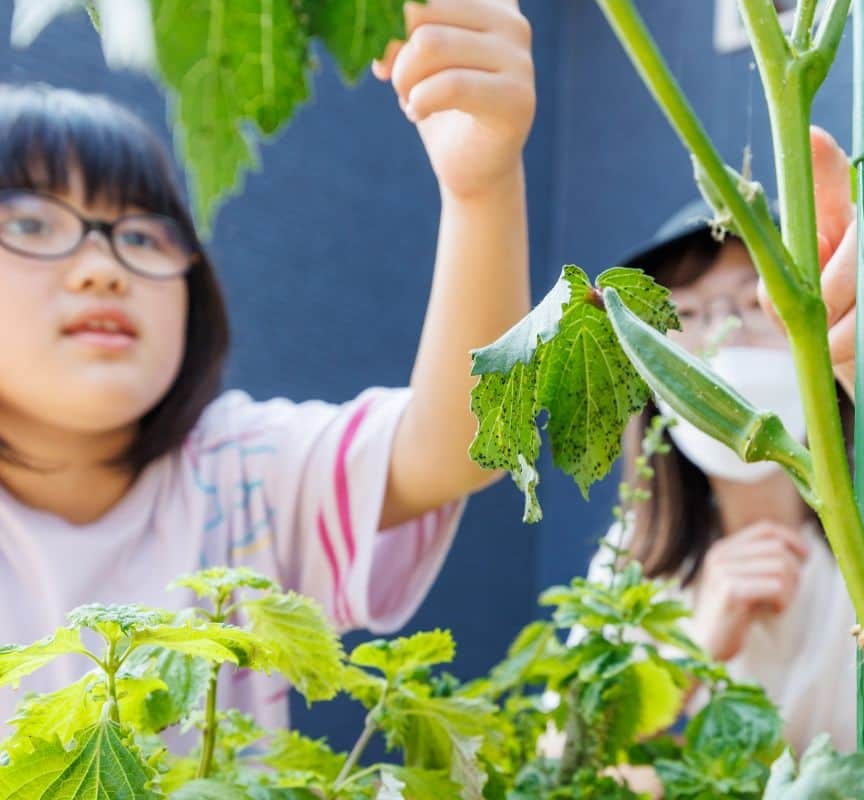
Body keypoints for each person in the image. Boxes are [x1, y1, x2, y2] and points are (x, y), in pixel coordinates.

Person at [0, 0, 535, 738]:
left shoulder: (239, 475)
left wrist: (481, 186)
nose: (103, 269)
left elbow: (458, 443)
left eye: (143, 235)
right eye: (30, 223)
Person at [587, 130, 864, 798]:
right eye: (688, 315)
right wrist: (690, 658)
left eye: (751, 303)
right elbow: (577, 767)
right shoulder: (631, 568)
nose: (721, 334)